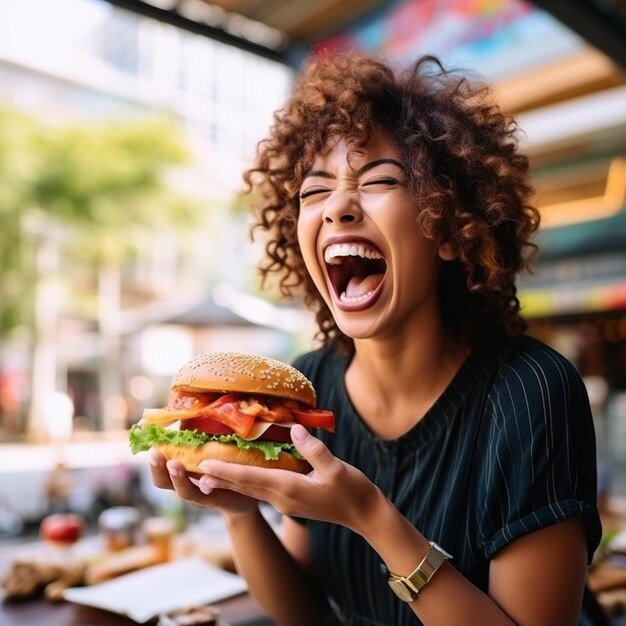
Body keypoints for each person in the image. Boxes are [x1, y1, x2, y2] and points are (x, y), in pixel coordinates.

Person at [149, 54, 601, 625]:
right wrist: (240, 514)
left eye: (380, 180)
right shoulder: (311, 388)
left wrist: (370, 517)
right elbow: (307, 615)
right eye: (314, 192)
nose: (337, 206)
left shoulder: (531, 392)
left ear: (448, 226)